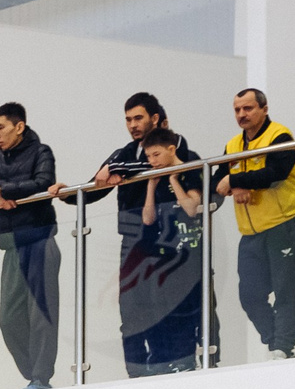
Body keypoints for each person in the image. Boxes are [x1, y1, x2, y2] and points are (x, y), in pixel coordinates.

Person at [63, 92, 200, 369]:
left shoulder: (175, 144)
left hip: (169, 240)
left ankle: (169, 366)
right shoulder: (122, 154)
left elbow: (167, 165)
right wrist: (64, 193)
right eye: (128, 119)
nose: (133, 124)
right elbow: (96, 185)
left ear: (156, 118)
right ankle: (137, 375)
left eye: (138, 118)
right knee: (131, 312)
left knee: (167, 309)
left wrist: (117, 169)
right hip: (132, 240)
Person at [0, 102, 61, 389]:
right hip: (11, 245)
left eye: (1, 127)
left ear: (19, 127)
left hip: (40, 239)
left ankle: (40, 378)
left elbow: (43, 183)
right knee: (8, 319)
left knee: (41, 314)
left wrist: (3, 190)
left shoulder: (41, 151)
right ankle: (33, 374)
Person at [217, 88, 295, 360]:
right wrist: (235, 186)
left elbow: (276, 173)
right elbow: (216, 182)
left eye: (248, 109)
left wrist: (237, 181)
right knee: (250, 296)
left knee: (285, 291)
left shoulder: (280, 135)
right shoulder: (232, 145)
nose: (242, 115)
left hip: (285, 223)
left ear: (264, 109)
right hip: (251, 232)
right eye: (237, 110)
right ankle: (275, 344)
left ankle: (283, 347)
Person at [119, 128, 210, 375]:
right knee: (162, 310)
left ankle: (187, 360)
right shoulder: (155, 177)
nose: (152, 161)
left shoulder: (191, 170)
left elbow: (192, 208)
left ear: (171, 149)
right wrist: (151, 185)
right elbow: (148, 219)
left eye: (156, 155)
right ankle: (167, 361)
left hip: (189, 253)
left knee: (187, 310)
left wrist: (173, 180)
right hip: (163, 256)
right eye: (149, 157)